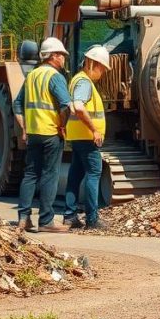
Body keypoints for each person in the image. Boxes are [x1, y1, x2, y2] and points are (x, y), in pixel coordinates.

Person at [12, 37, 72, 233]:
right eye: (62, 55)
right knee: (49, 175)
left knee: (30, 174)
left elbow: (17, 105)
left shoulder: (32, 76)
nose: (63, 59)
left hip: (34, 134)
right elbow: (65, 105)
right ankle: (46, 220)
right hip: (50, 133)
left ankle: (23, 218)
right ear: (53, 56)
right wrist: (62, 125)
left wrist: (24, 128)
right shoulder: (55, 77)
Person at [63, 45, 111, 230]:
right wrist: (94, 130)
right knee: (94, 174)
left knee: (76, 174)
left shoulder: (76, 80)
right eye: (102, 69)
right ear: (92, 63)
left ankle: (70, 215)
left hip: (78, 136)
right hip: (87, 138)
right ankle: (92, 219)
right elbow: (79, 106)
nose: (102, 73)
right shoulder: (84, 82)